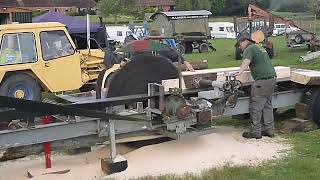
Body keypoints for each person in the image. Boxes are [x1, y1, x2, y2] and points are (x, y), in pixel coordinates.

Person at [234, 36, 277, 139]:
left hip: (261, 81)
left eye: (240, 45)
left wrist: (239, 72)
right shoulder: (259, 47)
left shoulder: (249, 48)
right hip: (271, 79)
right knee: (267, 106)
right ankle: (269, 130)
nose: (240, 48)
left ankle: (256, 132)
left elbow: (246, 61)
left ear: (244, 41)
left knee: (256, 108)